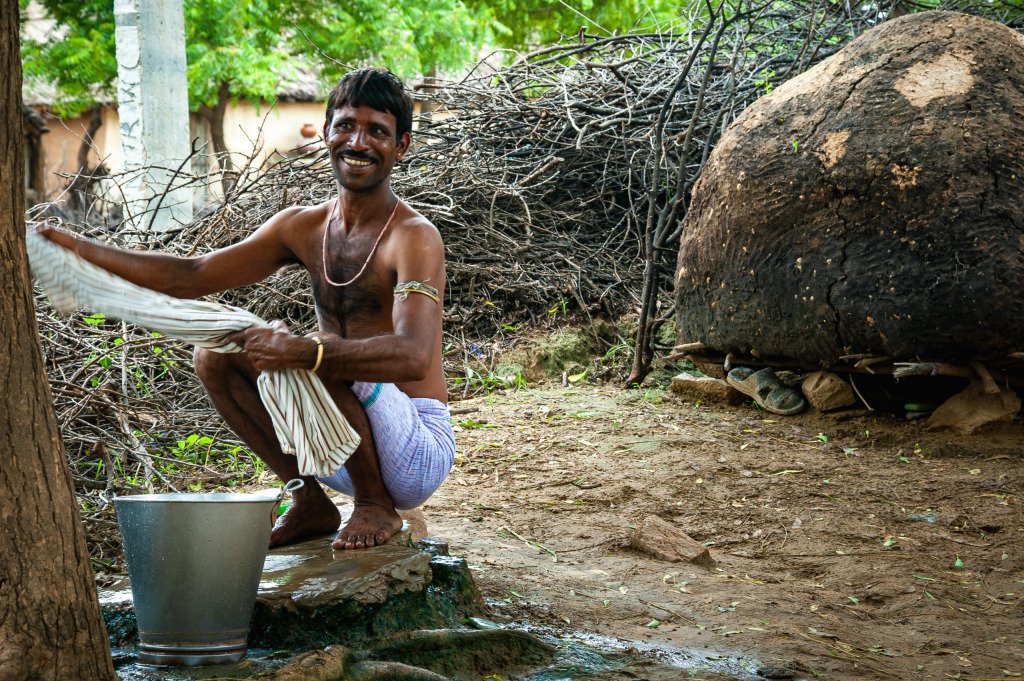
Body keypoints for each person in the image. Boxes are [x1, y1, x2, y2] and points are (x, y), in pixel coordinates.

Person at [39, 68, 454, 550]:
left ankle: (376, 505)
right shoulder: (301, 226)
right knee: (215, 352)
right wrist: (80, 249)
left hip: (414, 452)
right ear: (325, 134)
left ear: (400, 146)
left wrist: (307, 353)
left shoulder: (414, 237)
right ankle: (309, 499)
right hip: (338, 447)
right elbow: (190, 276)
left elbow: (413, 356)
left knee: (314, 349)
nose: (357, 142)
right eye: (345, 126)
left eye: (377, 132)